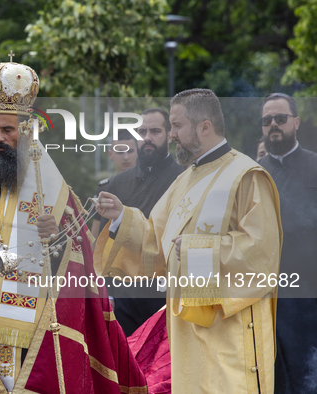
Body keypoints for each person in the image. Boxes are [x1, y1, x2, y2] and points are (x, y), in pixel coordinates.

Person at [0, 61, 152, 393]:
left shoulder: (54, 191)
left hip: (36, 324)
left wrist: (55, 237)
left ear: (27, 129)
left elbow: (79, 257)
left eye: (7, 130)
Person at [95, 88, 281, 393]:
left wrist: (199, 250)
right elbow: (155, 243)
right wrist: (121, 217)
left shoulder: (246, 175)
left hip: (228, 330)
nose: (172, 136)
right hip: (186, 332)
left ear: (204, 127)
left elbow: (262, 253)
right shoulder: (185, 179)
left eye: (177, 126)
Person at [100, 107, 183, 336]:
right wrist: (107, 293)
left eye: (155, 131)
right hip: (124, 297)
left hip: (166, 296)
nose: (147, 137)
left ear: (169, 135)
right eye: (142, 131)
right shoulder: (118, 183)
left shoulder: (185, 178)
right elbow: (107, 243)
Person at [257, 93, 317, 393]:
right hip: (264, 297)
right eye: (267, 121)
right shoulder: (252, 175)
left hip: (309, 296)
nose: (273, 126)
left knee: (308, 380)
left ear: (295, 121)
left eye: (280, 119)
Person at [90, 130, 138, 237]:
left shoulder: (148, 185)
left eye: (130, 151)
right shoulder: (104, 188)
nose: (126, 157)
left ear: (137, 152)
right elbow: (95, 234)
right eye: (120, 152)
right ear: (110, 154)